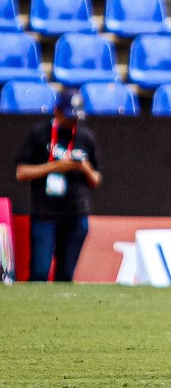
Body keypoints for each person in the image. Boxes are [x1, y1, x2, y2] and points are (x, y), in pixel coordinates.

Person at [14, 88, 101, 282]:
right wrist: (55, 166)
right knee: (39, 272)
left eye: (76, 117)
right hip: (45, 214)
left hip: (76, 215)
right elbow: (22, 172)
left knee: (66, 275)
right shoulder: (40, 133)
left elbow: (95, 179)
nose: (73, 122)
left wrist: (84, 168)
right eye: (69, 117)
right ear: (57, 111)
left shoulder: (85, 137)